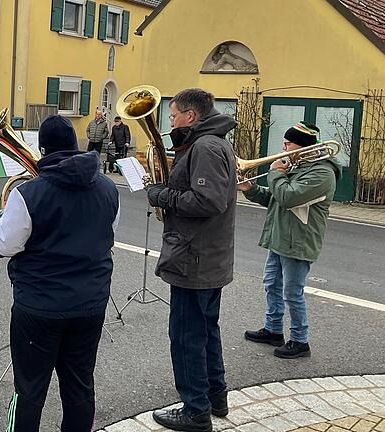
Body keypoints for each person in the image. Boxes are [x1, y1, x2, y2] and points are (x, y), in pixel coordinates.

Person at [0, 115, 120, 432]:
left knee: (29, 391)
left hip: (39, 307)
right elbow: (108, 235)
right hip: (90, 304)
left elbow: (4, 245)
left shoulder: (27, 193)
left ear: (43, 149)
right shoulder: (108, 187)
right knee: (79, 387)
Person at [145, 88, 237, 432]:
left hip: (194, 258)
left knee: (186, 337)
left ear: (191, 116)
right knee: (206, 330)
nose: (170, 122)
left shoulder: (206, 147)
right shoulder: (210, 143)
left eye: (173, 116)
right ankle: (215, 397)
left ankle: (195, 411)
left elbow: (208, 201)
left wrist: (161, 194)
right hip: (206, 256)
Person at [240, 122, 340, 359]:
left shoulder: (322, 173)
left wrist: (275, 172)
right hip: (280, 237)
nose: (283, 148)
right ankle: (273, 329)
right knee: (272, 285)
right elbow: (275, 198)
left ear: (302, 146)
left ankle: (299, 340)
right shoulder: (297, 166)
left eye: (287, 143)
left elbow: (288, 197)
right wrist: (250, 189)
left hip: (299, 241)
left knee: (292, 292)